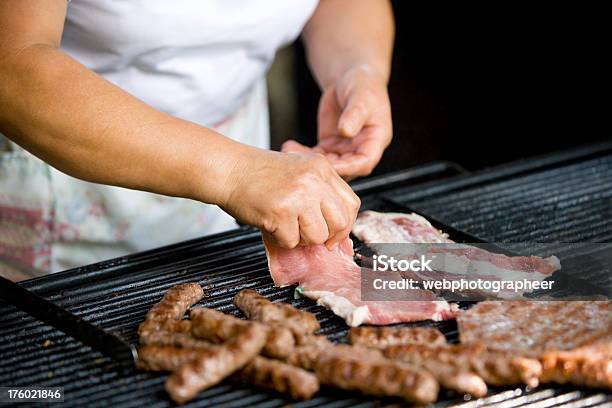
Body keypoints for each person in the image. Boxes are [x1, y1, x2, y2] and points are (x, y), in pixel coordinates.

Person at [0, 0, 394, 276]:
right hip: (60, 176)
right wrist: (236, 172)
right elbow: (11, 66)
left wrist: (358, 68)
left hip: (240, 156)